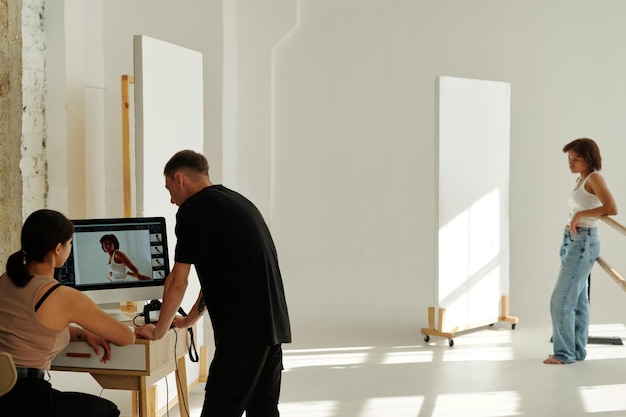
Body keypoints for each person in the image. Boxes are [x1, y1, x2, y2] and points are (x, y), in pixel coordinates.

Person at [135, 150, 291, 417]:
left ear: (179, 178)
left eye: (169, 188)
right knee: (264, 410)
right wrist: (188, 320)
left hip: (243, 334)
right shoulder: (237, 202)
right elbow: (223, 276)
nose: (171, 199)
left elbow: (177, 281)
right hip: (271, 328)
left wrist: (159, 330)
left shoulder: (194, 209)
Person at [0, 209, 135, 416]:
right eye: (70, 242)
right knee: (109, 411)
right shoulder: (60, 295)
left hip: (5, 397)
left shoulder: (4, 280)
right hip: (31, 402)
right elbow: (126, 337)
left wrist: (81, 333)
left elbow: (32, 324)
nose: (71, 247)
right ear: (57, 249)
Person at [544, 138, 617, 364]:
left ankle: (563, 354)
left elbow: (611, 208)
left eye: (576, 158)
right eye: (569, 158)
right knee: (578, 300)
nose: (571, 163)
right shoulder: (581, 179)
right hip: (573, 241)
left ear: (589, 158)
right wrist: (577, 216)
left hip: (583, 242)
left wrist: (578, 215)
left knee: (560, 300)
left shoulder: (594, 177)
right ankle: (576, 351)